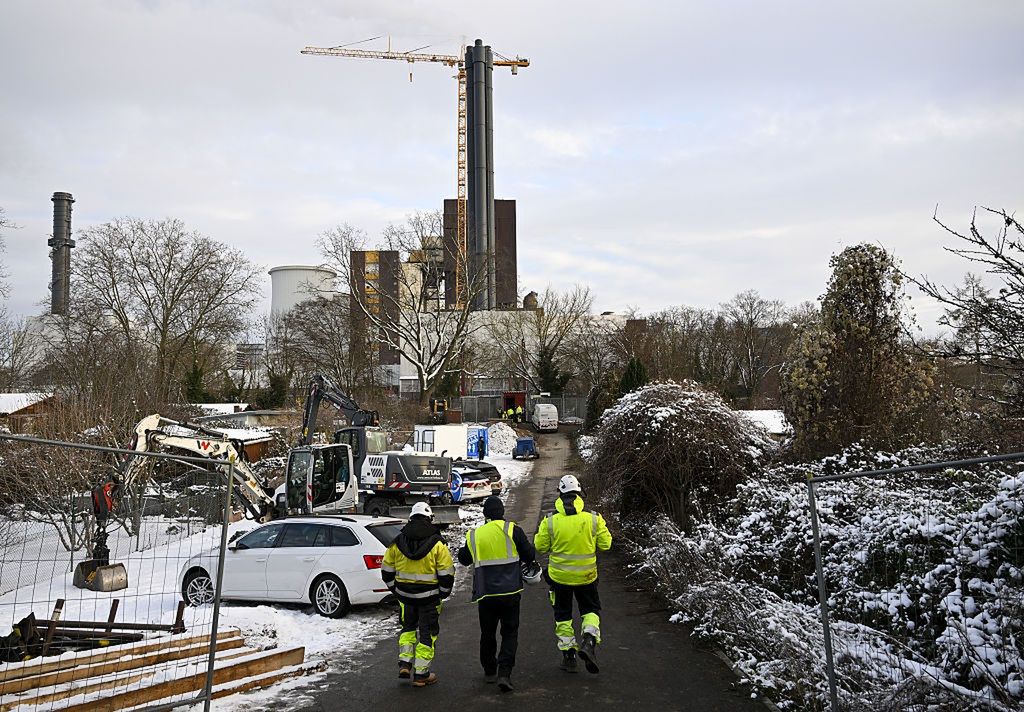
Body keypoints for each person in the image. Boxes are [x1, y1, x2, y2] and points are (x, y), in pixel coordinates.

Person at [533, 474, 612, 674]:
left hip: (559, 579)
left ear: (560, 494)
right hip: (587, 577)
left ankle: (569, 656)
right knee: (590, 610)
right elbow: (606, 544)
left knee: (563, 616)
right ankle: (589, 641)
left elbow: (540, 546)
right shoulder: (593, 519)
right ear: (579, 494)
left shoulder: (550, 521)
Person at [457, 496, 537, 693]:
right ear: (502, 512)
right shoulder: (513, 530)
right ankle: (505, 673)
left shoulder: (475, 535)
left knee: (488, 633)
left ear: (485, 514)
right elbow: (529, 555)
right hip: (511, 592)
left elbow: (463, 559)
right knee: (510, 632)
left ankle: (490, 671)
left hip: (486, 595)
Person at [381, 502, 455, 687]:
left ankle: (405, 664)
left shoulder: (397, 542)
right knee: (427, 634)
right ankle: (422, 675)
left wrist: (395, 590)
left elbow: (386, 570)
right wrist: (443, 593)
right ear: (429, 518)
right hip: (429, 598)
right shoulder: (437, 543)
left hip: (405, 598)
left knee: (407, 628)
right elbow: (447, 573)